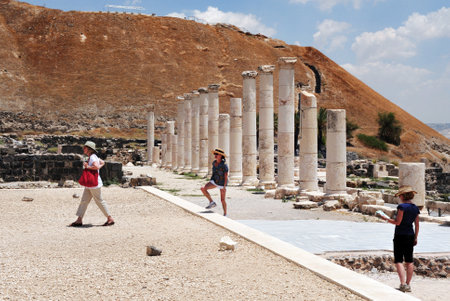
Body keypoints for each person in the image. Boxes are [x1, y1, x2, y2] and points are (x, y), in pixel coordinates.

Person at [378, 185, 420, 292]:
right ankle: (408, 284)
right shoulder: (415, 208)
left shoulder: (402, 207)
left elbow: (398, 222)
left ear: (402, 195)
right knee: (409, 260)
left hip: (400, 235)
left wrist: (385, 218)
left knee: (399, 260)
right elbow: (417, 225)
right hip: (410, 235)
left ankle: (402, 284)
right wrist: (416, 237)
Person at [70, 141, 115, 227]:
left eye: (85, 148)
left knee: (99, 201)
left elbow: (96, 166)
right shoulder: (93, 157)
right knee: (84, 201)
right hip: (90, 183)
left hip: (93, 183)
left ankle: (110, 218)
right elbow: (102, 163)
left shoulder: (93, 158)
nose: (84, 149)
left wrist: (88, 167)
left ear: (89, 149)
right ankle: (79, 220)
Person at [201, 148, 228, 216]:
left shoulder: (224, 165)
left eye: (216, 154)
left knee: (222, 200)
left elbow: (226, 176)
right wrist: (211, 180)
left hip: (222, 183)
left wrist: (224, 187)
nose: (215, 155)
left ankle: (225, 214)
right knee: (203, 188)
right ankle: (212, 202)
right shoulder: (214, 163)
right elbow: (214, 173)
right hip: (215, 181)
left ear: (221, 156)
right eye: (214, 154)